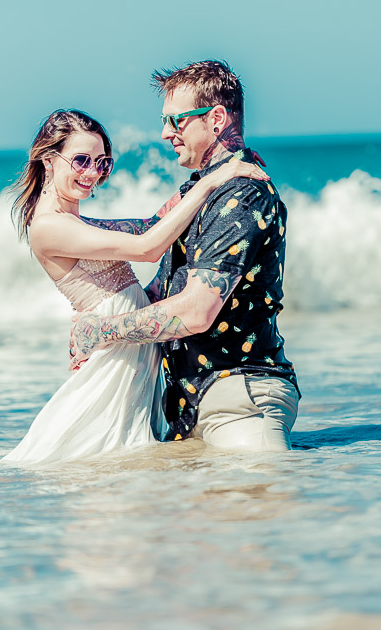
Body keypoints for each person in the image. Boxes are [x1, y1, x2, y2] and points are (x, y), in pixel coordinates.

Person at [0, 109, 266, 466]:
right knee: (96, 458)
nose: (92, 173)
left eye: (102, 163)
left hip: (127, 348)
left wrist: (218, 172)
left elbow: (148, 226)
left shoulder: (75, 221)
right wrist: (210, 184)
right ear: (49, 159)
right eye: (81, 160)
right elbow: (148, 248)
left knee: (123, 466)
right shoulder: (48, 226)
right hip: (114, 352)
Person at [69, 61, 301, 452]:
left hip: (239, 401)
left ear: (216, 118)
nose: (165, 133)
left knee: (263, 502)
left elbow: (195, 311)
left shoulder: (242, 194)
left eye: (176, 121)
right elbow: (150, 241)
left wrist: (101, 332)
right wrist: (55, 220)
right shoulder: (204, 191)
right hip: (189, 405)